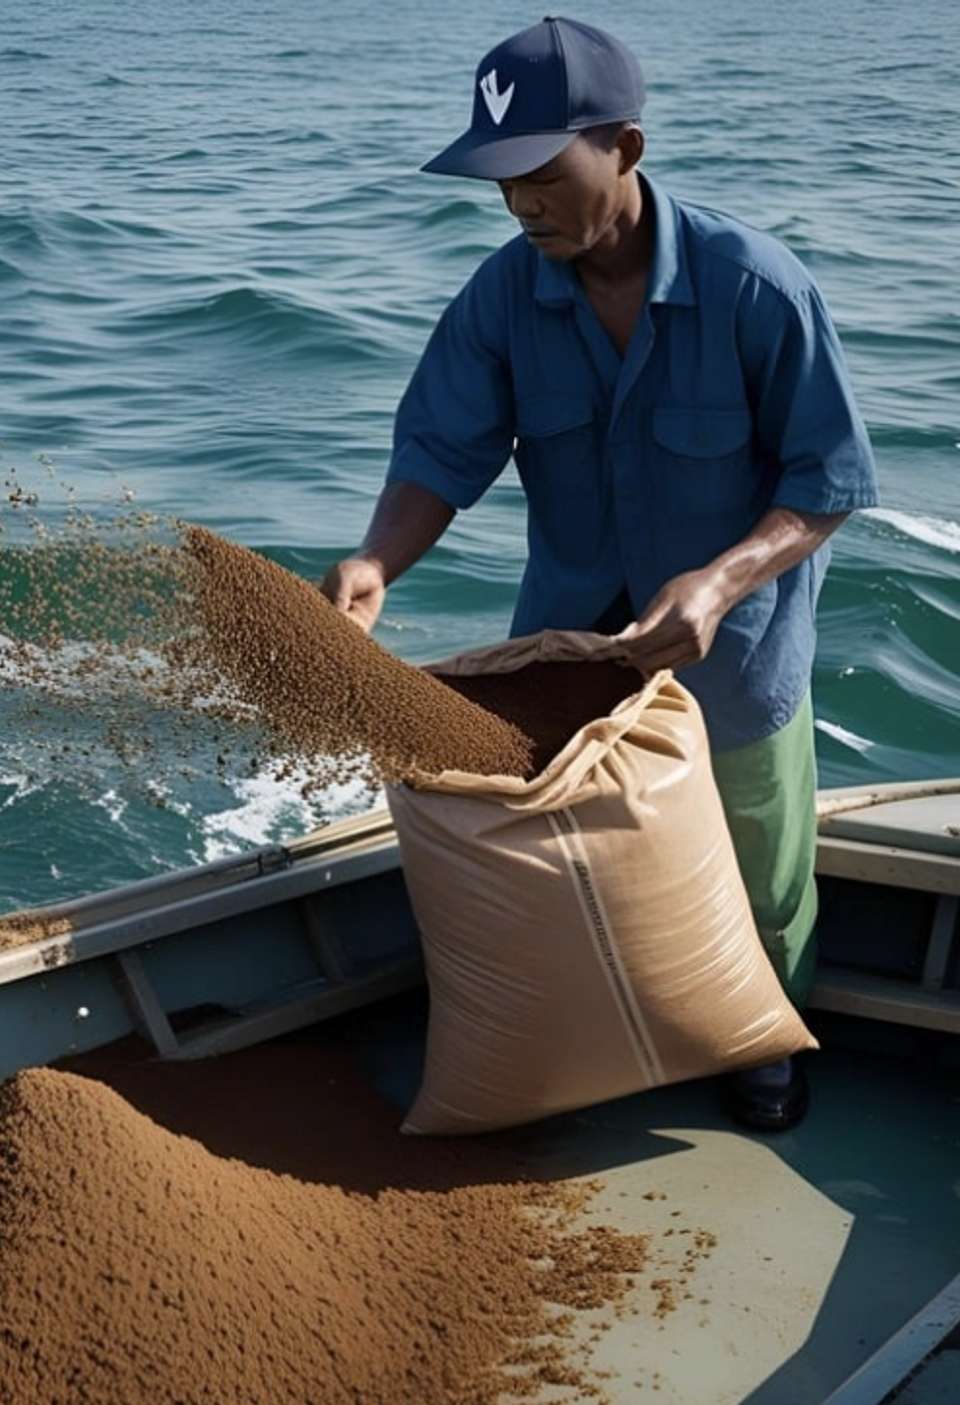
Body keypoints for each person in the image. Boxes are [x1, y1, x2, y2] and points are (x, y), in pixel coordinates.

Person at [321, 16, 879, 1132]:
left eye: (539, 171)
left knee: (761, 873)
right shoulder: (499, 298)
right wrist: (378, 560)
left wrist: (721, 584)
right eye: (500, 179)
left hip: (740, 653)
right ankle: (581, 1048)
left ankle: (764, 1046)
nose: (519, 202)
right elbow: (439, 452)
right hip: (572, 649)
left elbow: (829, 478)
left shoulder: (755, 287)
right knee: (560, 870)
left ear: (622, 144)